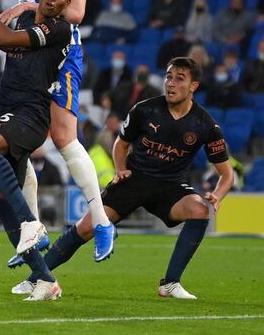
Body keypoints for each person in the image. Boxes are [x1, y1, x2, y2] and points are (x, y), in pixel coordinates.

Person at [22, 57, 233, 300]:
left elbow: (226, 174)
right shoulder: (145, 109)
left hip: (170, 186)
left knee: (199, 210)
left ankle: (170, 283)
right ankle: (35, 279)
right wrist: (120, 169)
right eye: (168, 76)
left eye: (179, 78)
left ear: (194, 86)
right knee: (86, 227)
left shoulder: (205, 125)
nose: (170, 83)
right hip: (134, 179)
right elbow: (120, 145)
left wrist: (217, 195)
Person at [0, 0, 116, 265]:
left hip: (63, 55)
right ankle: (32, 230)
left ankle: (101, 222)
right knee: (20, 147)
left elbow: (77, 13)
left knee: (64, 137)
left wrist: (27, 6)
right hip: (28, 60)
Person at [0, 0, 75, 301]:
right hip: (10, 111)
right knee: (1, 203)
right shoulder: (27, 20)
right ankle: (45, 280)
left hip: (31, 115)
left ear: (65, 5)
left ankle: (32, 223)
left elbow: (6, 36)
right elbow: (7, 40)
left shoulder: (59, 29)